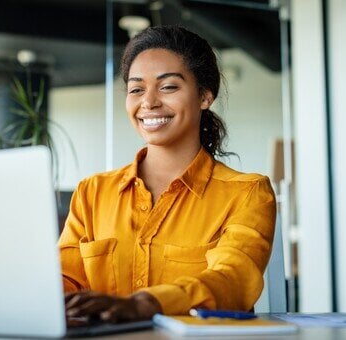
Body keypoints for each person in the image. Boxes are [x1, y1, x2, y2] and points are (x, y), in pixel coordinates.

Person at [59, 25, 276, 323]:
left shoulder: (248, 193)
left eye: (168, 86)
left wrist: (147, 304)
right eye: (136, 89)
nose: (148, 102)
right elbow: (64, 280)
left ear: (204, 96)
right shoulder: (92, 193)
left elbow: (233, 280)